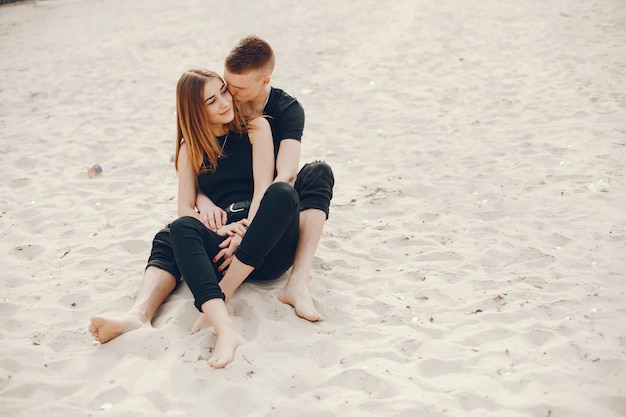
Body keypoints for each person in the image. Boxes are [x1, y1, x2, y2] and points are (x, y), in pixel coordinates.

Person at [88, 36, 333, 347]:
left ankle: (284, 284)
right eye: (215, 98)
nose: (227, 100)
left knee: (282, 193)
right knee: (172, 232)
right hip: (221, 242)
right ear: (196, 110)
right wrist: (208, 215)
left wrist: (245, 229)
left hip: (264, 237)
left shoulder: (262, 125)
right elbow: (184, 206)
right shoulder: (190, 148)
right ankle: (138, 314)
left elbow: (270, 184)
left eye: (226, 92)